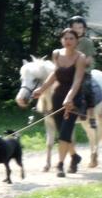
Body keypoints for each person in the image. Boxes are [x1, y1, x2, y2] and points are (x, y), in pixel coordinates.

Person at [31, 28, 87, 177]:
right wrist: (41, 90)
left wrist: (69, 98)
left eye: (71, 38)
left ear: (76, 41)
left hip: (73, 100)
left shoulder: (80, 58)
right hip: (57, 98)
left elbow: (77, 81)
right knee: (62, 133)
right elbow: (54, 75)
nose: (68, 41)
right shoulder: (56, 54)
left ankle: (60, 165)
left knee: (64, 134)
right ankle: (75, 156)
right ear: (62, 40)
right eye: (65, 38)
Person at [69, 16, 100, 129]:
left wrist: (77, 64)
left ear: (84, 29)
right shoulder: (68, 41)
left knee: (86, 87)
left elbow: (89, 59)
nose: (77, 30)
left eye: (80, 27)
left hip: (83, 71)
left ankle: (91, 115)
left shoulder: (87, 42)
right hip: (69, 71)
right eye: (75, 27)